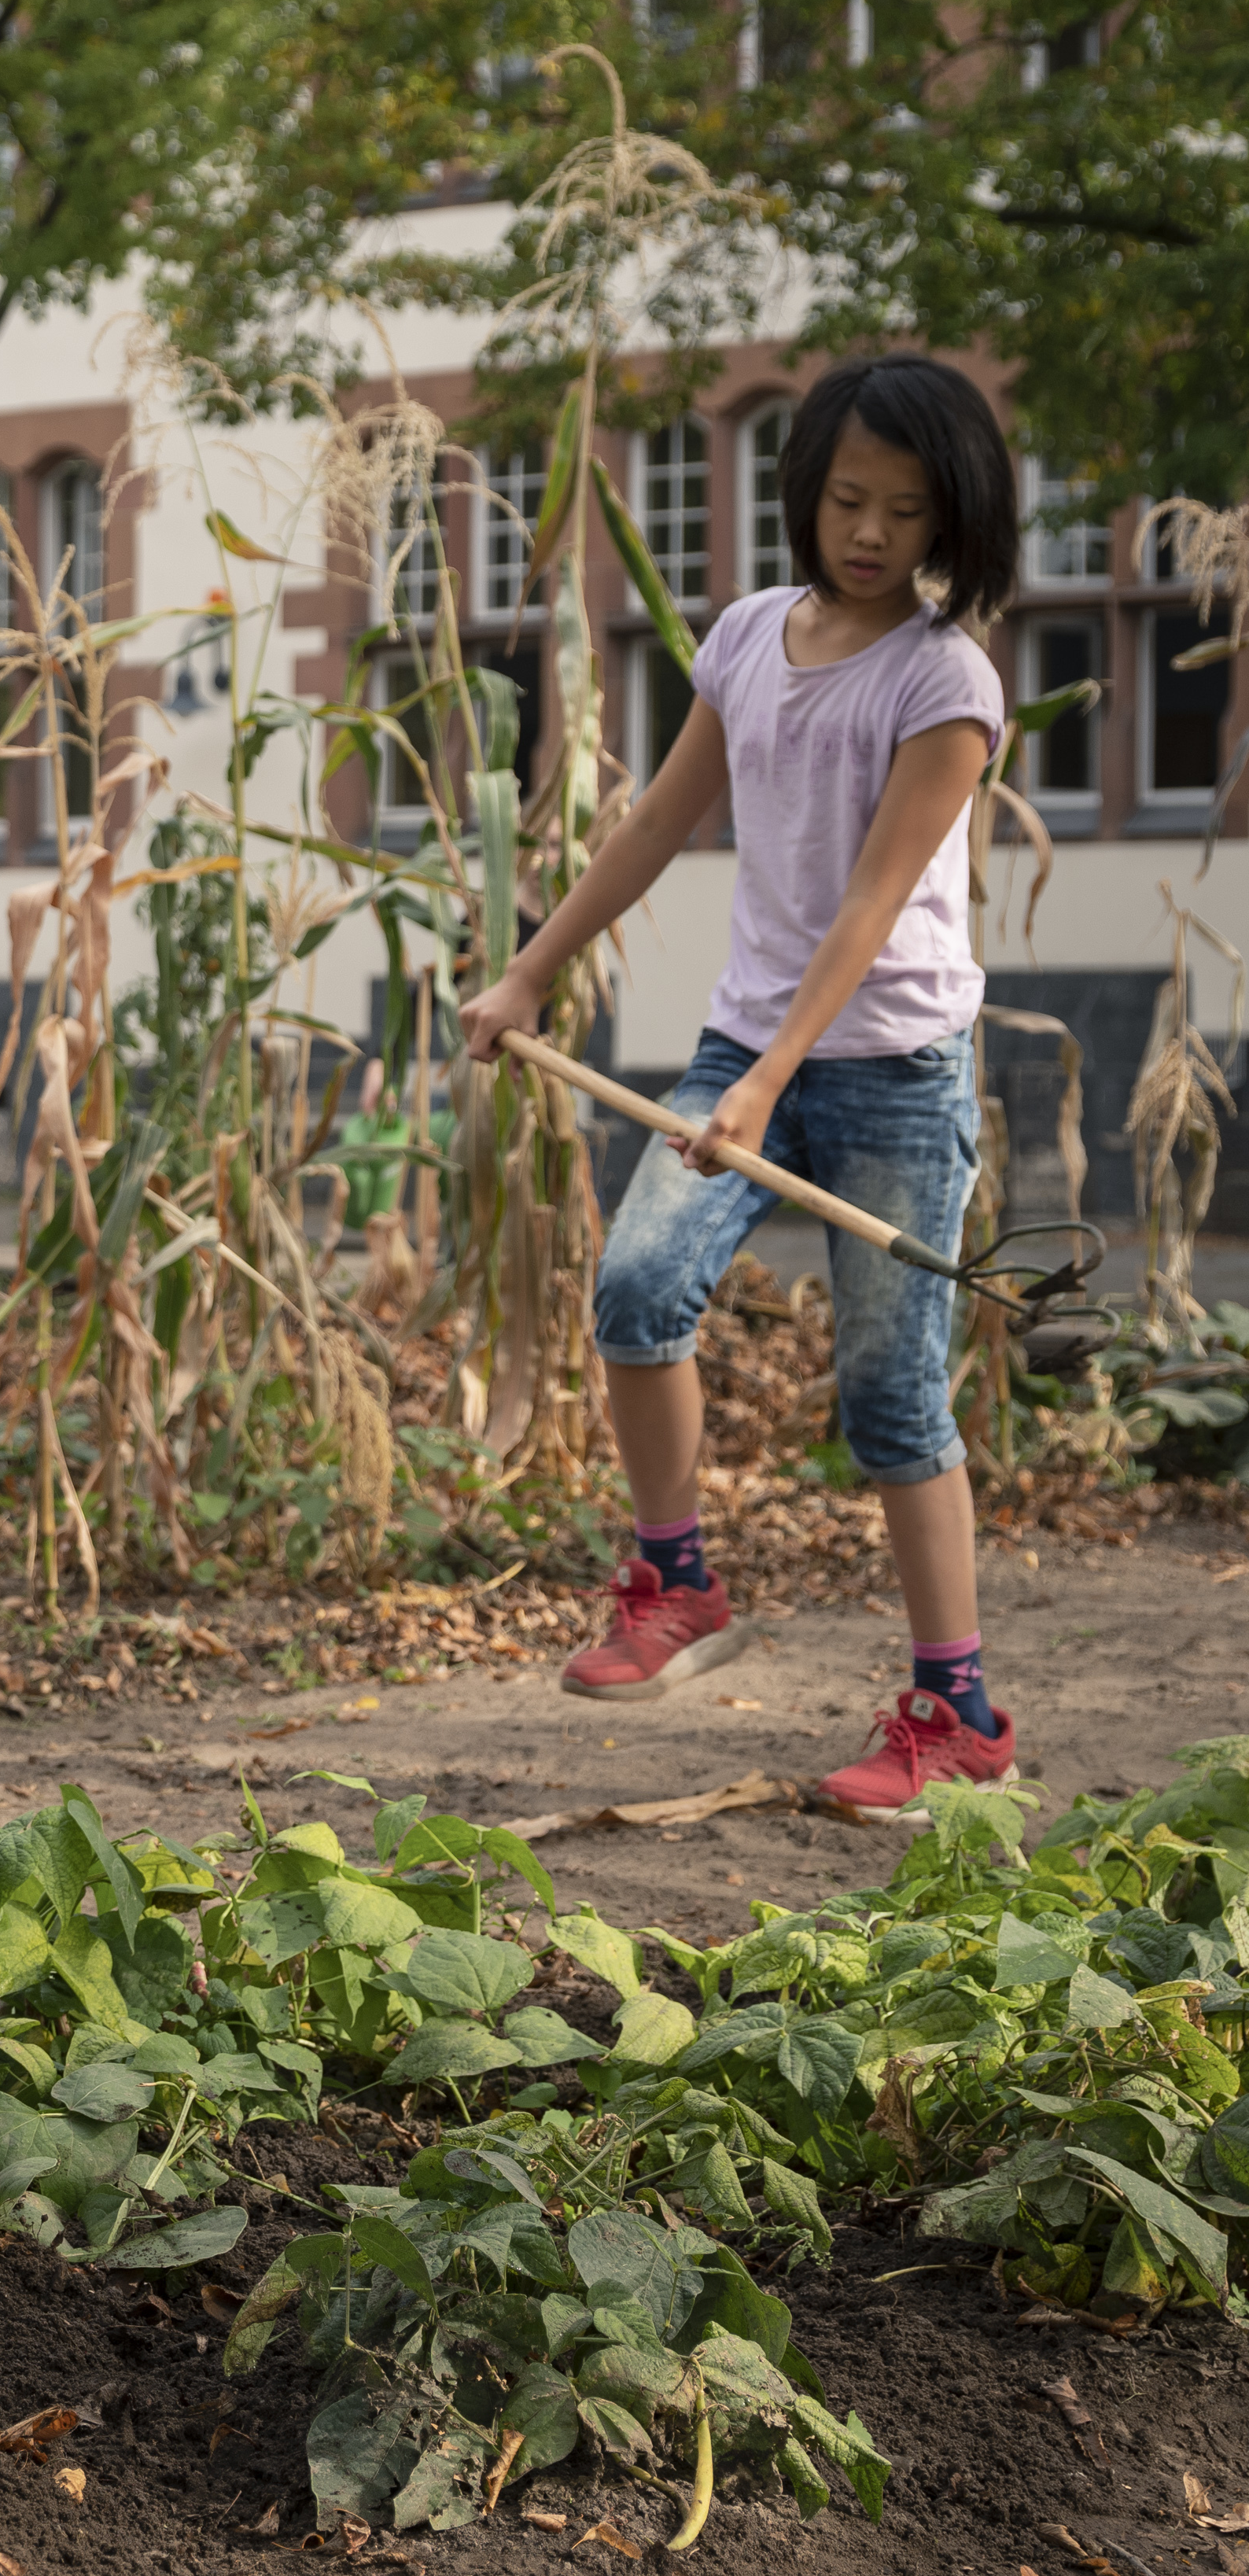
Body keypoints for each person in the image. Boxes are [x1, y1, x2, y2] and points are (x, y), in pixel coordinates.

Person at [459, 354, 1022, 1822]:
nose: (872, 533)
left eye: (907, 510)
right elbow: (659, 818)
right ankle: (679, 1583)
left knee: (894, 1402)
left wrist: (771, 1078)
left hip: (891, 1066)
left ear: (952, 519)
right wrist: (530, 971)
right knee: (638, 1289)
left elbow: (873, 903)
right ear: (803, 489)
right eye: (848, 497)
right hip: (746, 1051)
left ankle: (955, 1709)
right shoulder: (754, 637)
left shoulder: (946, 680)